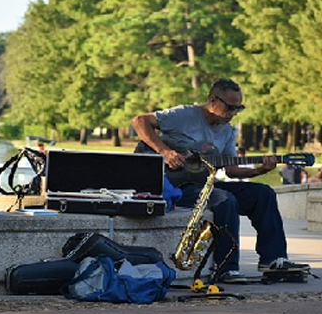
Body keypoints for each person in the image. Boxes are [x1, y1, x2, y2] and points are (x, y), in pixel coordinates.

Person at [131, 78, 309, 284]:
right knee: (225, 200)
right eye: (231, 107)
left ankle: (273, 259)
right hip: (172, 185)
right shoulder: (185, 114)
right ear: (213, 100)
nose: (234, 113)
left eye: (238, 108)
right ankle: (227, 267)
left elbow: (232, 170)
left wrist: (261, 169)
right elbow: (139, 121)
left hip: (203, 186)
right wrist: (165, 152)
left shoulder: (227, 131)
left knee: (263, 193)